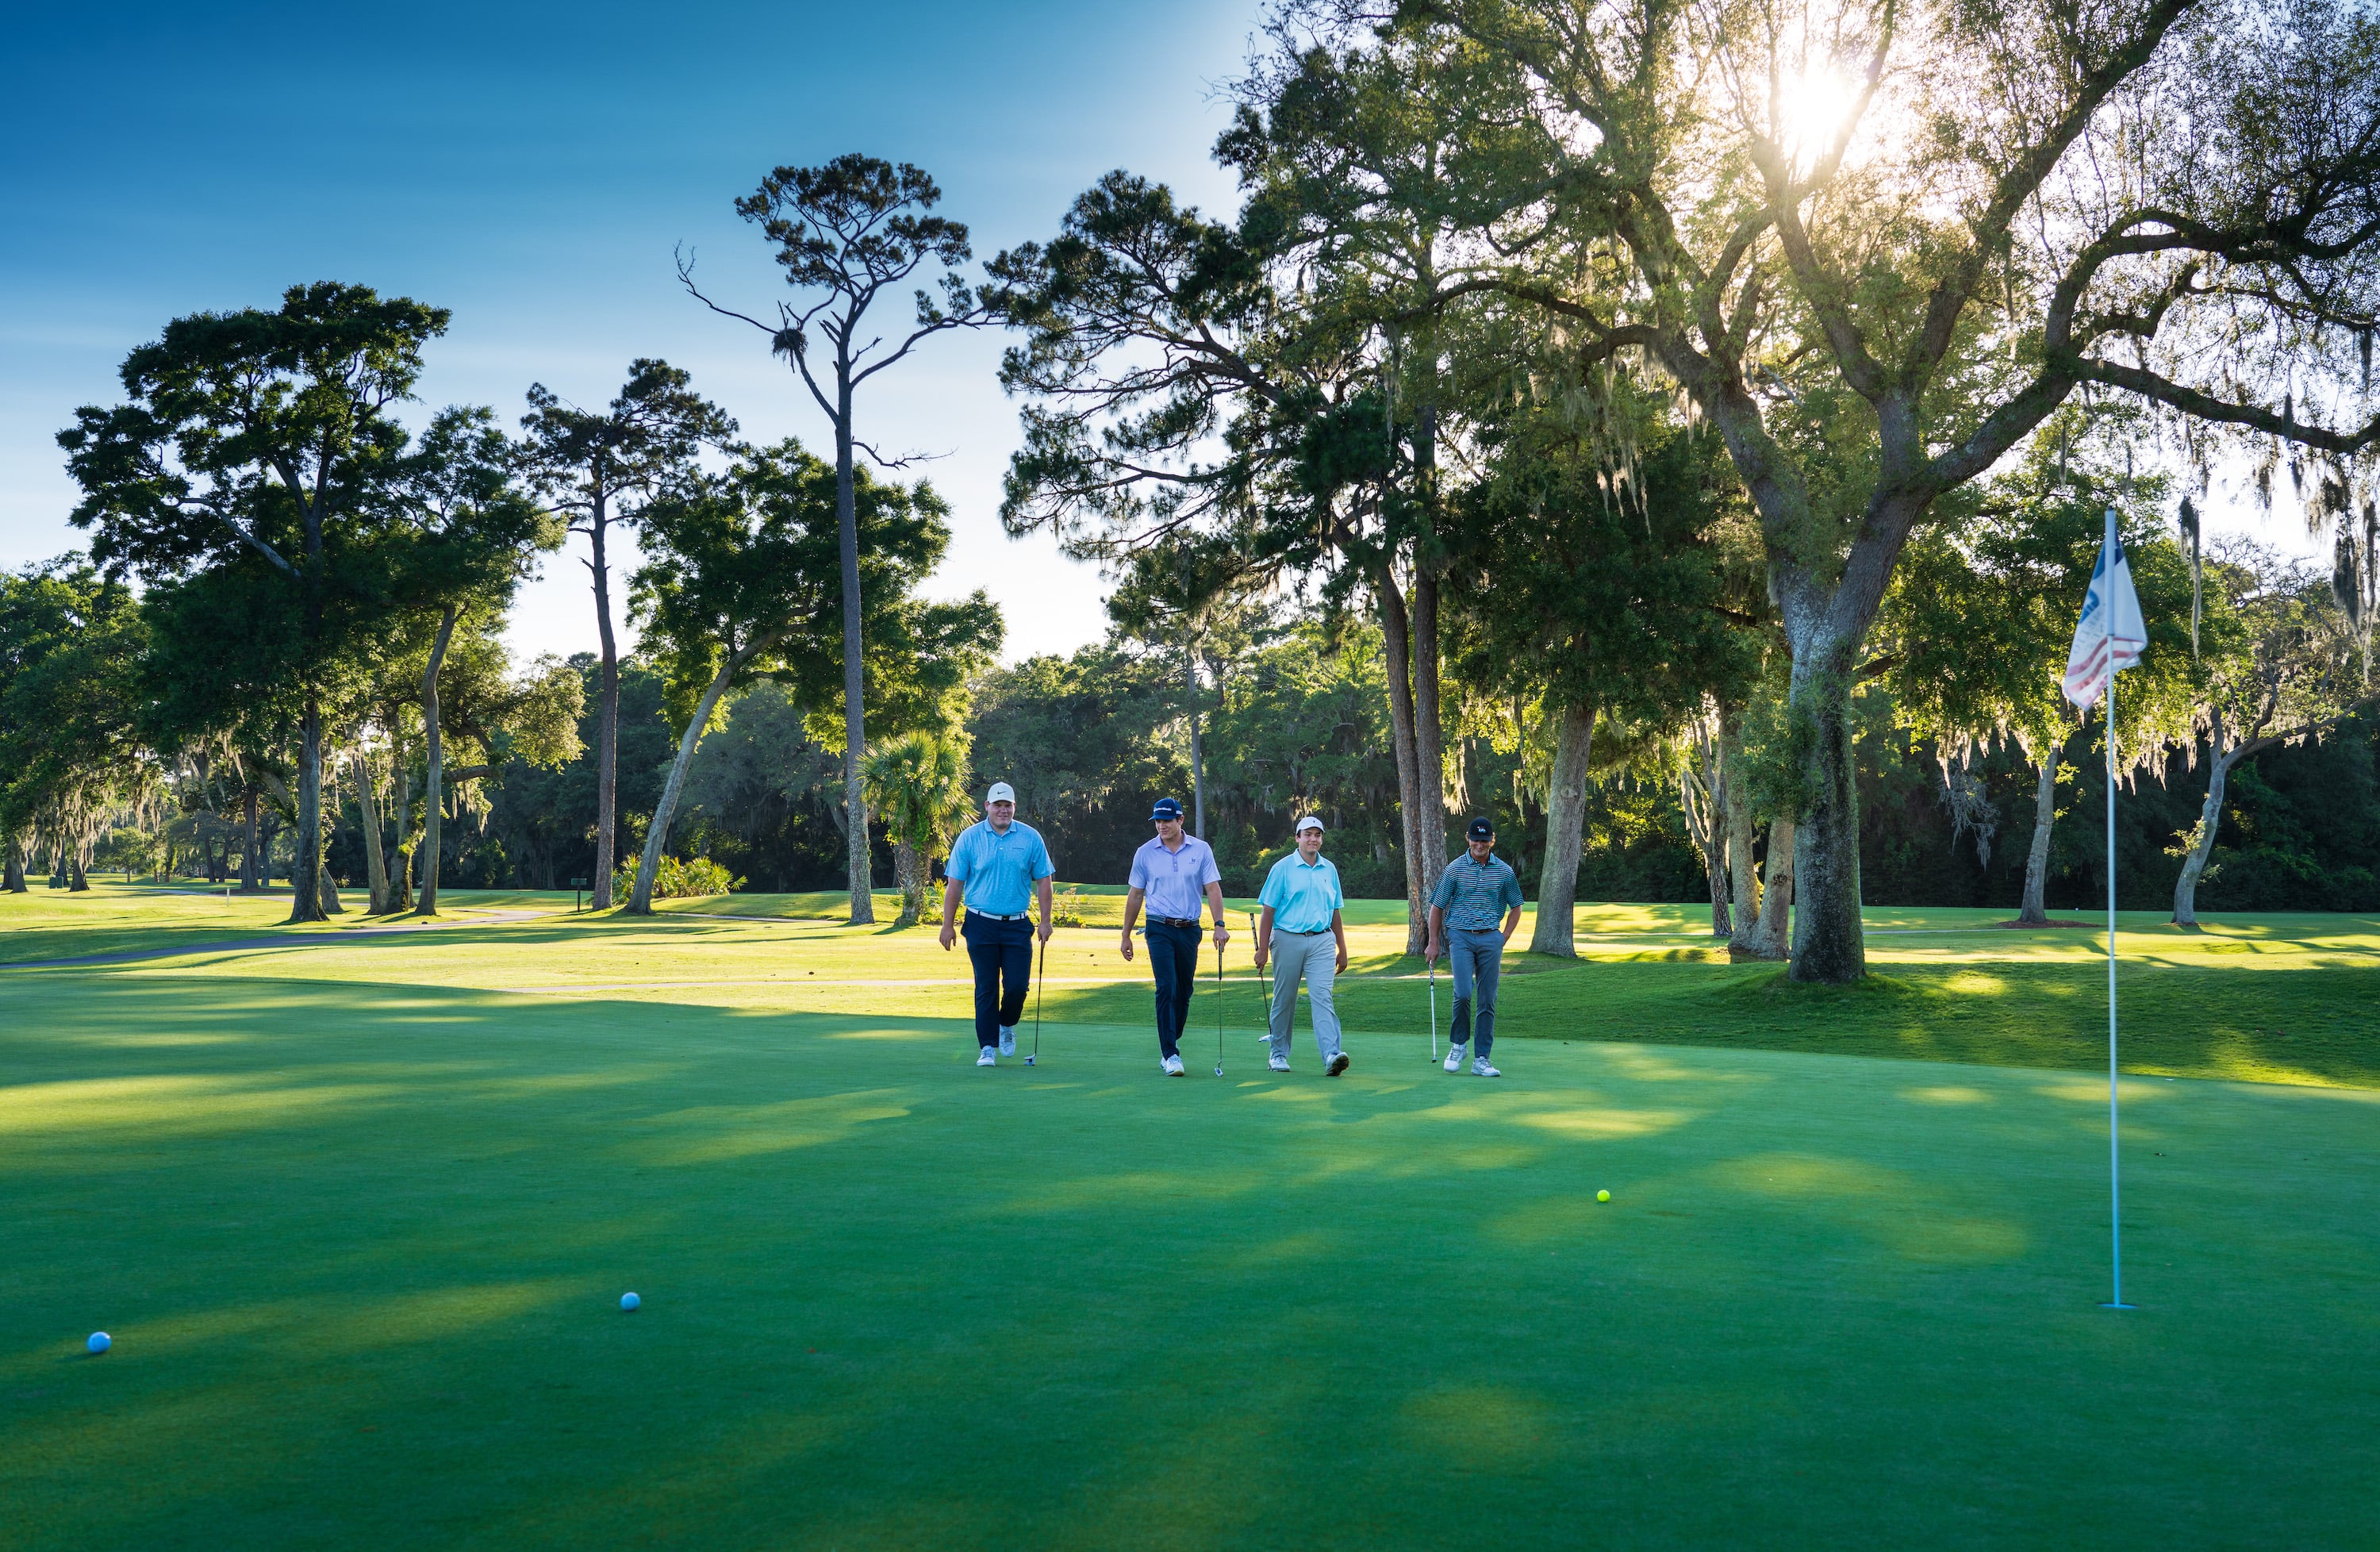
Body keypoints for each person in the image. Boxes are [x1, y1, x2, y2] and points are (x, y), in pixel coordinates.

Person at [938, 782, 1054, 1066]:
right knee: (986, 986)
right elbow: (955, 884)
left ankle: (1007, 1024)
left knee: (1017, 987)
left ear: (1014, 807)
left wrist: (1047, 921)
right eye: (998, 805)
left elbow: (1044, 881)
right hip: (980, 922)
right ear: (987, 806)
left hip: (1017, 924)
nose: (1003, 810)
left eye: (1008, 805)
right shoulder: (970, 838)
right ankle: (987, 1047)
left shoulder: (1030, 837)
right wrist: (947, 925)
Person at [1119, 797, 1230, 1076]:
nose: (1161, 826)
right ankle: (1170, 1053)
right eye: (1157, 821)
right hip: (1159, 927)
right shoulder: (1145, 853)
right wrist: (1126, 935)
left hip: (1190, 929)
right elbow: (1135, 895)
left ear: (1180, 820)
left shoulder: (1201, 850)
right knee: (1166, 987)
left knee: (1184, 992)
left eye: (1166, 821)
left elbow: (1213, 889)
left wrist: (1219, 924)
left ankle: (1171, 1039)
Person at [1426, 816, 1525, 1078]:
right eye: (1475, 839)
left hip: (1491, 938)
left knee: (1487, 999)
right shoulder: (1454, 869)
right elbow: (1437, 907)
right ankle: (1458, 1045)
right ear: (1467, 839)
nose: (1479, 844)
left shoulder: (1504, 871)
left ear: (1492, 841)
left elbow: (1517, 906)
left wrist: (1503, 937)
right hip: (1460, 937)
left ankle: (1482, 1058)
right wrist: (1433, 942)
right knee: (1462, 993)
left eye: (1484, 840)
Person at [1254, 816, 1349, 1076]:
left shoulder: (1329, 869)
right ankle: (1278, 1054)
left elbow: (1335, 911)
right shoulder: (1283, 868)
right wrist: (1263, 949)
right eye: (1308, 834)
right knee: (1285, 999)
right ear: (1297, 837)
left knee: (1322, 996)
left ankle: (1331, 1054)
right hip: (1287, 938)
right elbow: (1268, 911)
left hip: (1322, 939)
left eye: (1318, 835)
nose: (1313, 839)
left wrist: (1342, 948)